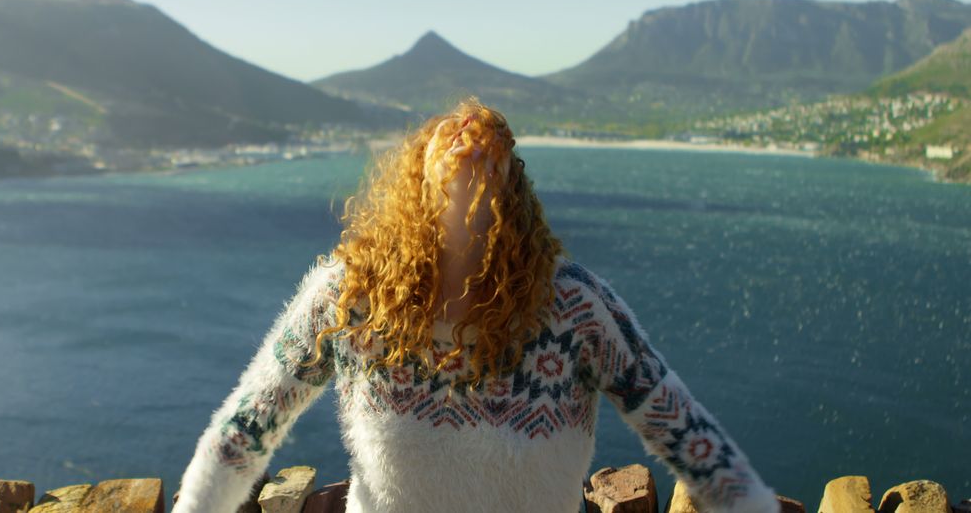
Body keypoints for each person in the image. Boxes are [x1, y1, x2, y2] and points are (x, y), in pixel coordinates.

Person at [172, 100, 779, 513]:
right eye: (455, 173)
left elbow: (688, 436)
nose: (469, 195)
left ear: (513, 191)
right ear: (417, 189)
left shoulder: (576, 310)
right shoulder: (349, 298)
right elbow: (243, 432)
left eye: (485, 175)